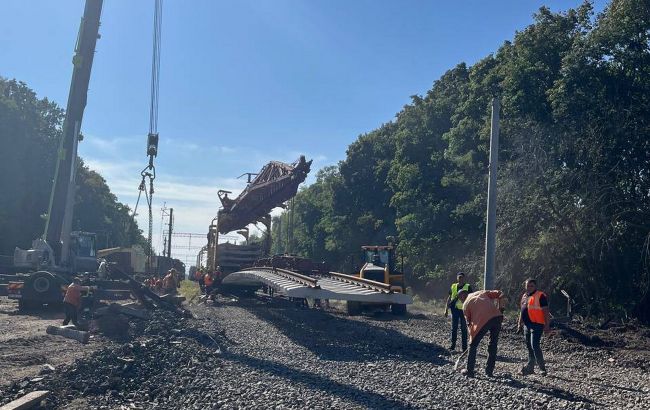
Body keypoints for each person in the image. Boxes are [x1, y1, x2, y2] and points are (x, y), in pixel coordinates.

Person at [459, 288, 504, 377]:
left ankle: (469, 370)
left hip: (484, 321)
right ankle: (489, 371)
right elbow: (500, 294)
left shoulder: (465, 305)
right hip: (497, 317)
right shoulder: (480, 292)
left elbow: (469, 324)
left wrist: (471, 339)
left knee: (473, 345)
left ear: (462, 297)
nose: (460, 300)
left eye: (459, 298)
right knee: (493, 344)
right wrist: (501, 308)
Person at [517, 279, 550, 376]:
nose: (529, 288)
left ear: (535, 286)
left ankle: (542, 369)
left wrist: (547, 325)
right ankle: (530, 367)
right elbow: (522, 310)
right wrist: (519, 323)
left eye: (531, 286)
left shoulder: (540, 296)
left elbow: (546, 311)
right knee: (529, 346)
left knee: (535, 346)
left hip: (537, 324)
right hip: (527, 325)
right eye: (527, 286)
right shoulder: (524, 296)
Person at [444, 272, 472, 351]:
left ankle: (464, 348)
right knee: (454, 328)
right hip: (454, 310)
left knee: (464, 329)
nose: (460, 279)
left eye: (462, 277)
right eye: (459, 277)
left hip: (464, 310)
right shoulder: (453, 286)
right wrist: (446, 309)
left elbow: (471, 299)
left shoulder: (468, 286)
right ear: (457, 278)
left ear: (464, 278)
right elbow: (449, 298)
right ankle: (452, 346)